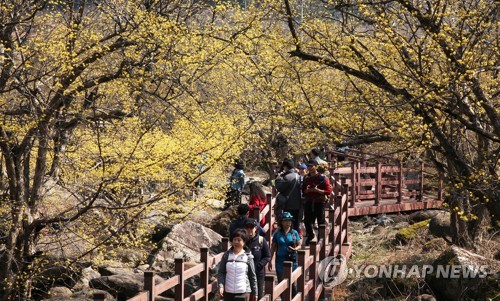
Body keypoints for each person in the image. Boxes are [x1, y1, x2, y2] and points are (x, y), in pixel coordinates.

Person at [268, 212, 302, 298]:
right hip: (280, 261)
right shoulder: (277, 233)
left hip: (292, 260)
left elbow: (299, 245)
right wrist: (270, 261)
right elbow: (273, 247)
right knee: (281, 283)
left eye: (289, 220)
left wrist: (295, 249)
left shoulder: (294, 233)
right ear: (282, 222)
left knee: (292, 283)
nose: (288, 222)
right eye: (286, 220)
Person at [218, 229, 258, 301]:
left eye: (239, 240)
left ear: (244, 242)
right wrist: (221, 286)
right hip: (228, 291)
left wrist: (255, 293)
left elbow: (252, 275)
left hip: (243, 292)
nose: (236, 242)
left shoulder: (248, 256)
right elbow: (221, 272)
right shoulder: (226, 255)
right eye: (234, 240)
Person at [302, 160, 332, 245]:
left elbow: (328, 191)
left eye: (311, 166)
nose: (310, 168)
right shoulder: (306, 178)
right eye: (308, 166)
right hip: (308, 201)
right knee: (307, 221)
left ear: (316, 167)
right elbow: (303, 190)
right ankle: (310, 235)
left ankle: (320, 238)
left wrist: (317, 190)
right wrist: (307, 191)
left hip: (319, 202)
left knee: (320, 221)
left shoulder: (322, 178)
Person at [244, 218, 271, 300]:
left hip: (258, 274)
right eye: (247, 227)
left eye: (251, 227)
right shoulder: (242, 240)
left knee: (258, 297)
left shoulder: (261, 240)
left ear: (255, 228)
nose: (249, 229)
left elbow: (267, 256)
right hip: (244, 274)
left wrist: (258, 266)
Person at [275, 159, 302, 236]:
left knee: (288, 224)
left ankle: (290, 240)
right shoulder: (298, 176)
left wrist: (278, 179)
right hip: (298, 203)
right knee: (296, 223)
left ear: (285, 167)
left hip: (289, 203)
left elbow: (280, 188)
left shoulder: (287, 177)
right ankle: (296, 240)